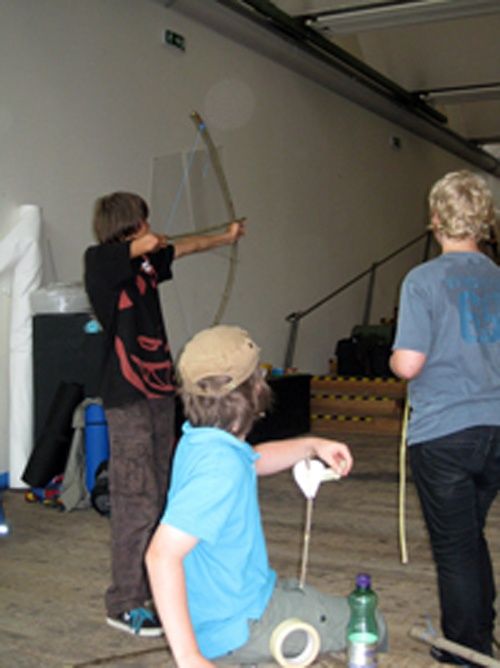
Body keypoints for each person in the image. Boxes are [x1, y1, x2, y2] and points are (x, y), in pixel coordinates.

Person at [146, 324, 387, 666]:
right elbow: (161, 556)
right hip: (241, 624)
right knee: (371, 623)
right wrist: (188, 657)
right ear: (255, 391)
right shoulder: (219, 468)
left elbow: (254, 460)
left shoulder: (201, 442)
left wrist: (311, 445)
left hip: (232, 607)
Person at [84, 192, 245, 637]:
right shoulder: (101, 262)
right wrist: (148, 241)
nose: (151, 227)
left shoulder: (146, 263)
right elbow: (136, 247)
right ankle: (124, 602)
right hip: (127, 398)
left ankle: (158, 586)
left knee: (162, 494)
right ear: (131, 223)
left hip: (159, 393)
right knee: (135, 499)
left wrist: (225, 237)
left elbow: (185, 247)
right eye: (144, 220)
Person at [390, 170, 500, 666]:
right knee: (470, 534)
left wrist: (396, 360)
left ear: (435, 218)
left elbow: (409, 364)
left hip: (444, 434)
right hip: (496, 429)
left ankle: (464, 649)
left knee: (455, 547)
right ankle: (481, 630)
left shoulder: (422, 280)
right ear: (485, 220)